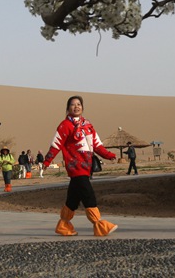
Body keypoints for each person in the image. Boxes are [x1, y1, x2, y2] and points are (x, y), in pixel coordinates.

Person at [42, 95, 118, 236]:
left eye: (79, 104)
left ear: (82, 107)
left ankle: (63, 225)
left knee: (73, 198)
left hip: (86, 165)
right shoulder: (65, 125)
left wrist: (108, 155)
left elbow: (97, 144)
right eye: (72, 104)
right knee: (88, 194)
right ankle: (99, 225)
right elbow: (56, 144)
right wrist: (47, 161)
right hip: (75, 166)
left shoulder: (88, 125)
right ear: (68, 108)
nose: (76, 107)